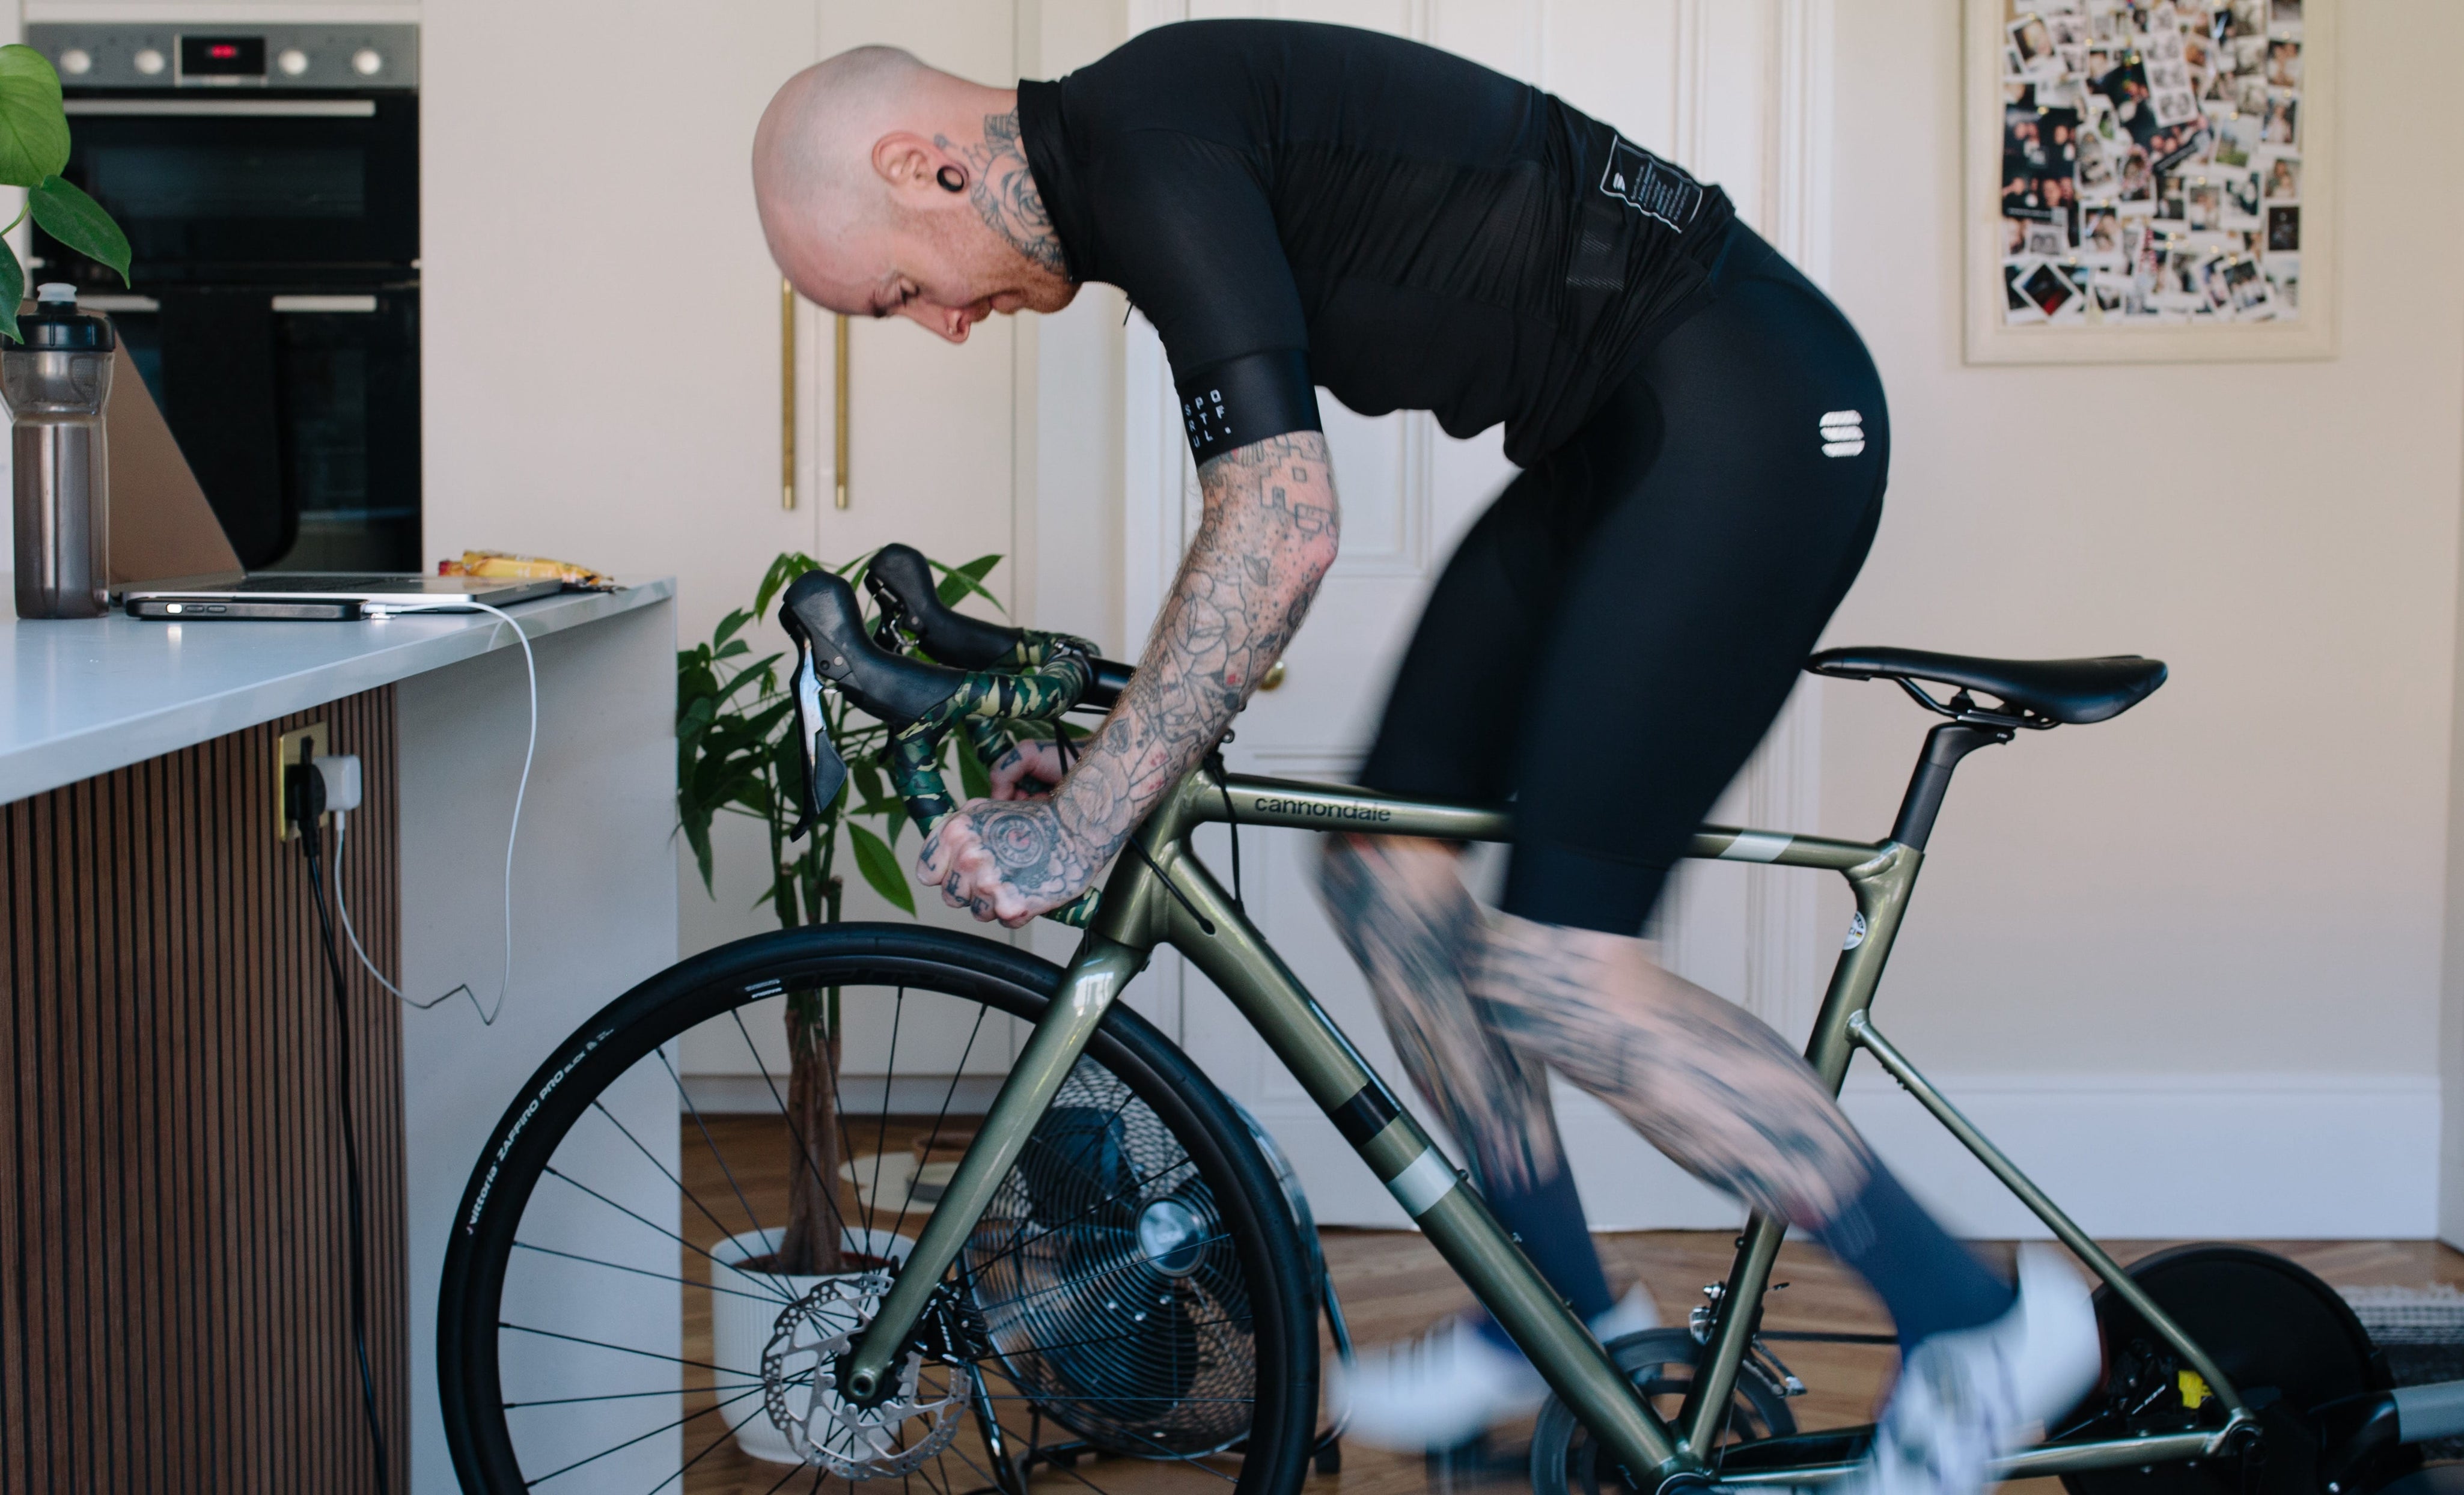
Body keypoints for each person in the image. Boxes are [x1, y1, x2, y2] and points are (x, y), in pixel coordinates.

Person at [750, 23, 2099, 1495]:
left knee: (1557, 971)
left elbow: (1281, 523)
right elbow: (1258, 539)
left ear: (920, 164)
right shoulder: (1141, 158)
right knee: (1389, 876)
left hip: (1745, 410)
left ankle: (1977, 1321)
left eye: (898, 293)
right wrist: (1097, 765)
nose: (943, 325)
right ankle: (1557, 1311)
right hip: (1613, 438)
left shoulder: (1145, 144)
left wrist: (1088, 821)